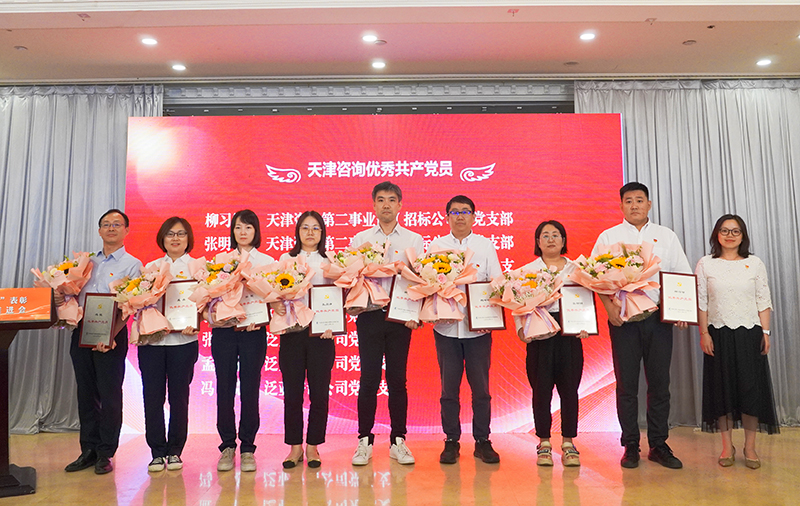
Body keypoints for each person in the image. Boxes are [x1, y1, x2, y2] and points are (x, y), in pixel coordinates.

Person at [591, 182, 691, 470]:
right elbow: (594, 276)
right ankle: (630, 445)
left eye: (639, 200)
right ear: (621, 206)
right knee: (627, 385)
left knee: (659, 384)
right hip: (623, 320)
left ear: (649, 204)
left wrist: (681, 309)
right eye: (628, 201)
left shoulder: (666, 236)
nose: (634, 205)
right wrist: (609, 307)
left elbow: (680, 275)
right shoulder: (608, 237)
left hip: (658, 319)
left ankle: (658, 444)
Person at [696, 214, 778, 469]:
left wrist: (766, 333)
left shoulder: (754, 263)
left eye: (735, 231)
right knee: (722, 391)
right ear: (716, 235)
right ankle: (726, 446)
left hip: (750, 334)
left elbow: (763, 299)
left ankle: (750, 447)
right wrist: (704, 333)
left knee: (751, 391)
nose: (730, 235)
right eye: (724, 230)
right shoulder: (705, 264)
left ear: (743, 236)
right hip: (717, 335)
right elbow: (701, 302)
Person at [64, 209, 142, 475]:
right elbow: (71, 294)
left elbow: (130, 305)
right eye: (106, 224)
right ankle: (88, 449)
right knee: (85, 393)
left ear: (126, 230)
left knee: (109, 395)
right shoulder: (85, 263)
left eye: (117, 224)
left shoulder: (133, 264)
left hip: (112, 335)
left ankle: (106, 452)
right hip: (82, 331)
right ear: (99, 231)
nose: (111, 228)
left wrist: (110, 335)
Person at [350, 181, 423, 466]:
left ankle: (398, 440)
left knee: (397, 379)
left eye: (392, 200)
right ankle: (364, 440)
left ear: (400, 204)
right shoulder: (361, 239)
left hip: (400, 318)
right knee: (368, 378)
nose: (386, 205)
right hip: (369, 315)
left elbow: (419, 281)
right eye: (380, 200)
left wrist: (416, 315)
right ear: (373, 205)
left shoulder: (414, 240)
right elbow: (353, 277)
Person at [430, 195, 503, 465]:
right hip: (446, 329)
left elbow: (496, 283)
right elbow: (429, 284)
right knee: (449, 390)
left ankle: (482, 440)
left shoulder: (485, 245)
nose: (460, 216)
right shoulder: (436, 246)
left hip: (478, 331)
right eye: (454, 212)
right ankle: (451, 440)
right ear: (446, 216)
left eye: (465, 211)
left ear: (474, 216)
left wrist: (491, 314)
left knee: (481, 389)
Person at [517, 220, 588, 467]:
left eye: (555, 235)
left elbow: (585, 300)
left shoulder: (578, 269)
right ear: (538, 242)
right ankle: (544, 442)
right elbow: (518, 302)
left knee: (570, 390)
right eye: (545, 235)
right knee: (541, 390)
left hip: (569, 335)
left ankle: (568, 443)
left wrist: (585, 324)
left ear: (563, 240)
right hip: (540, 335)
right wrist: (521, 330)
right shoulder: (527, 271)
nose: (550, 239)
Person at [211, 209, 275, 473]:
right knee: (224, 388)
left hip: (253, 333)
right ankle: (227, 445)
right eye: (238, 227)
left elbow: (274, 298)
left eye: (248, 227)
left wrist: (263, 318)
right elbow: (211, 297)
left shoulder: (268, 262)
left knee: (250, 389)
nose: (243, 232)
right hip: (225, 333)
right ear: (232, 231)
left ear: (256, 231)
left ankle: (248, 447)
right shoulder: (221, 261)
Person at [272, 211, 336, 469]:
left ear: (322, 233)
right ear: (297, 231)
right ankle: (294, 447)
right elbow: (276, 292)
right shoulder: (285, 260)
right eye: (305, 227)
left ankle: (313, 446)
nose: (310, 232)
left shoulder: (330, 261)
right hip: (292, 333)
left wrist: (333, 324)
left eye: (316, 228)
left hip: (322, 335)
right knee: (292, 394)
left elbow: (338, 296)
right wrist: (275, 304)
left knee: (319, 394)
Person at [140, 217, 199, 472]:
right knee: (152, 397)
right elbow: (140, 304)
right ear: (162, 238)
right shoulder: (150, 268)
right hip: (152, 343)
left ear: (188, 239)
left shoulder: (198, 268)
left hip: (184, 341)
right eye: (170, 234)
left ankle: (175, 450)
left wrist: (196, 320)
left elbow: (205, 302)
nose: (175, 238)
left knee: (179, 398)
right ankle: (156, 451)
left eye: (181, 234)